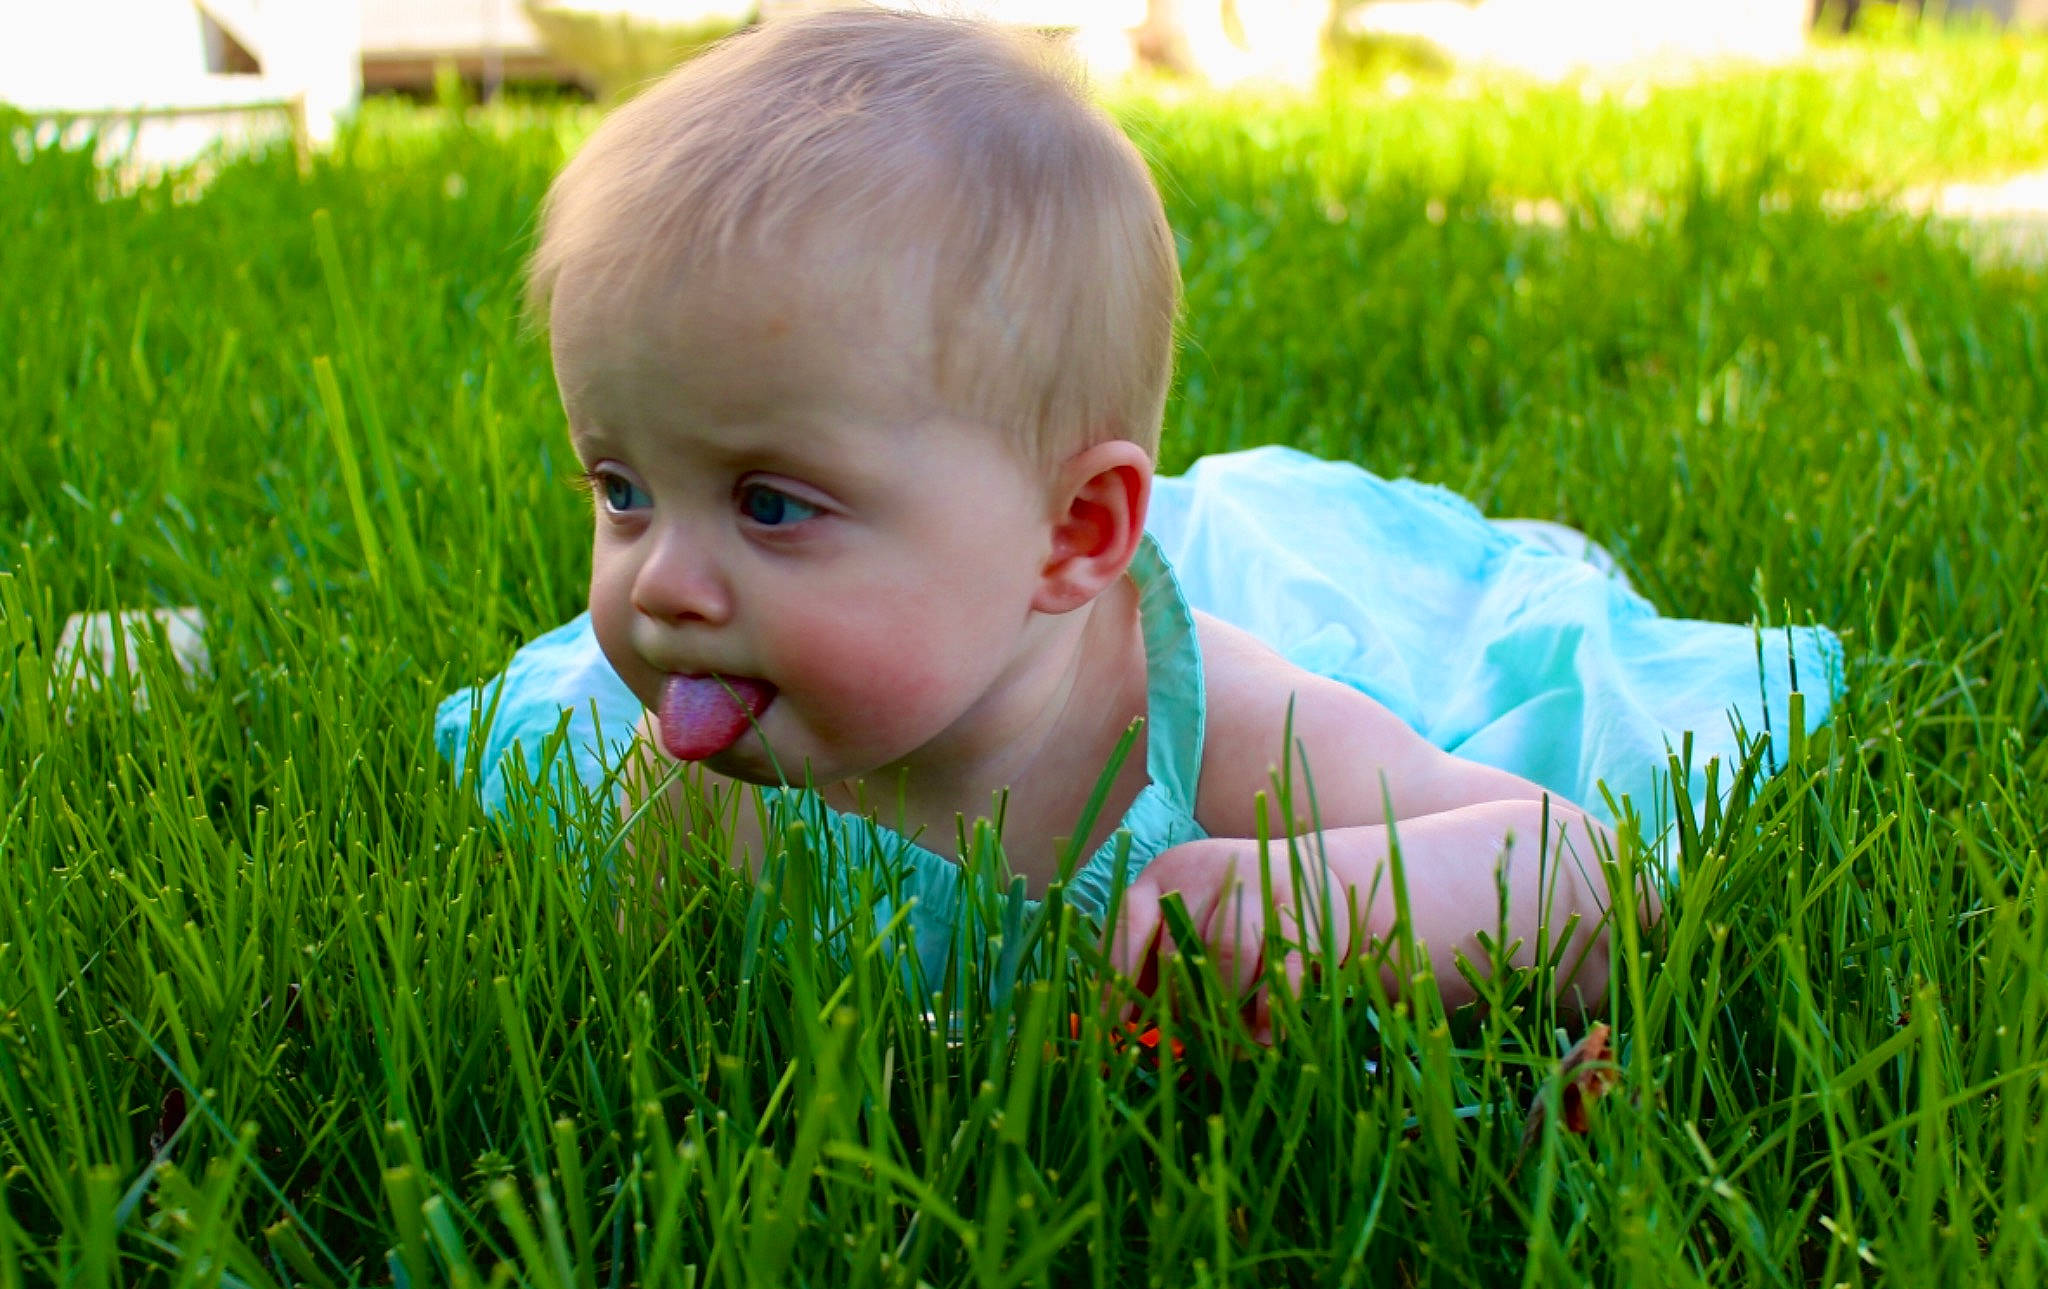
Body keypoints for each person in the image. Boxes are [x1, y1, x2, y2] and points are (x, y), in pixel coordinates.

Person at [438, 7, 1840, 1032]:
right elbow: (643, 1011)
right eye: (623, 490)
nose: (662, 585)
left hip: (1234, 642)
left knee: (1429, 614)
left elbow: (1590, 882)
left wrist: (1333, 907)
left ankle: (1504, 555)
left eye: (769, 504)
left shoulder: (1204, 724)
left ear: (1071, 533)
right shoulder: (696, 776)